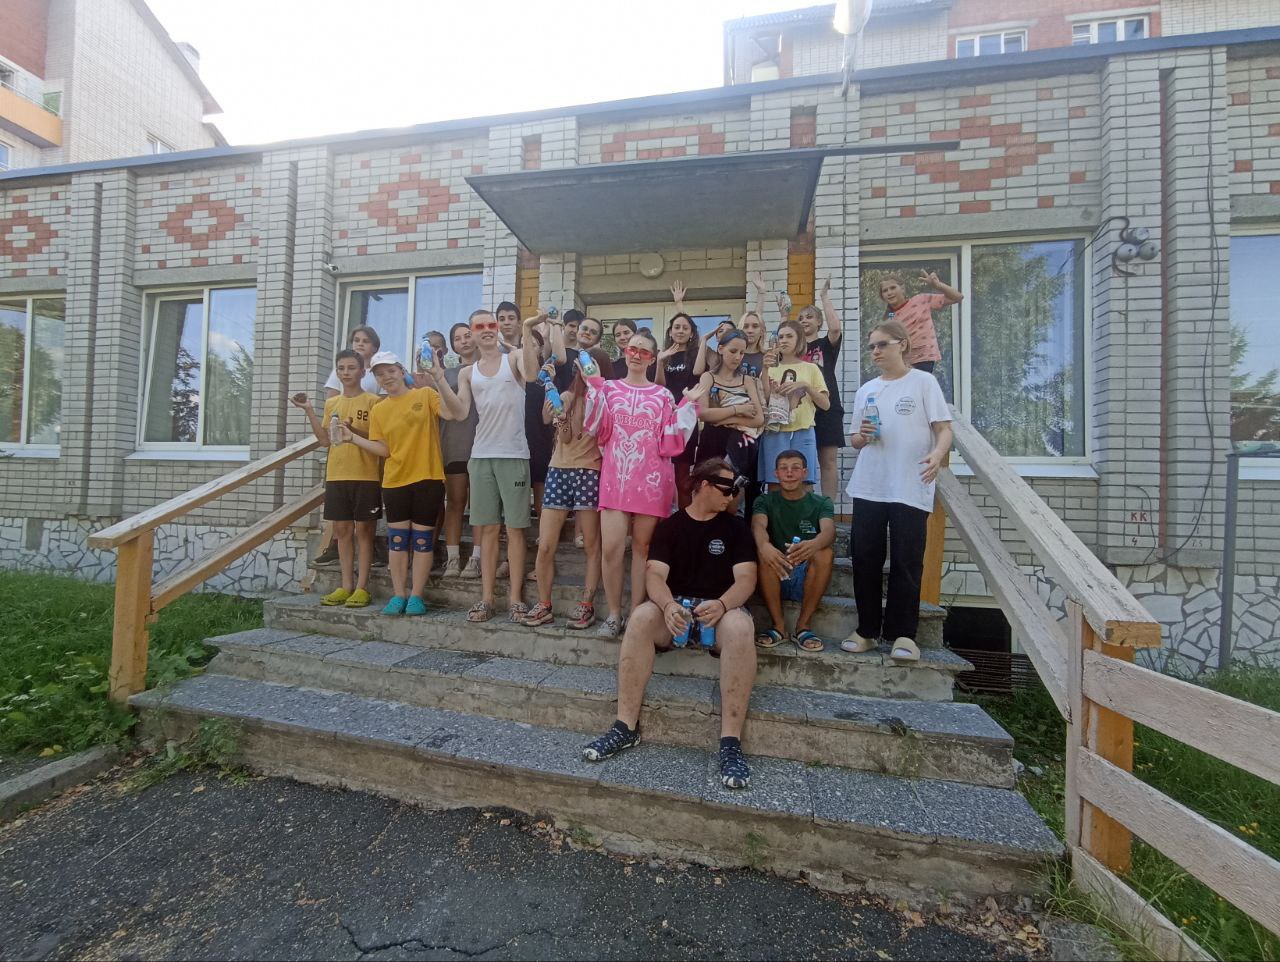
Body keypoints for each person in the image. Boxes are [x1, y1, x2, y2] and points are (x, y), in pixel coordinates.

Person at [580, 459, 759, 790]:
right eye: (727, 488)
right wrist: (667, 605)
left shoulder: (736, 528)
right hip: (676, 611)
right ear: (704, 486)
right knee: (641, 617)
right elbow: (655, 576)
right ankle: (625, 727)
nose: (732, 495)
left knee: (740, 626)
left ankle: (731, 742)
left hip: (720, 612)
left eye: (735, 489)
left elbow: (747, 579)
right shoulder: (671, 527)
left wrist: (722, 604)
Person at [842, 319, 953, 664]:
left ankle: (903, 635)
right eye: (871, 346)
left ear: (902, 344)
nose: (875, 351)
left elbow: (944, 429)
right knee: (865, 560)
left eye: (882, 344)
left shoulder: (923, 382)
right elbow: (855, 440)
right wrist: (861, 436)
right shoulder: (867, 389)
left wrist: (938, 454)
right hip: (869, 485)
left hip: (910, 485)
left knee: (906, 561)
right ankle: (866, 631)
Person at [583, 330, 704, 637]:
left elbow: (671, 440)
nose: (637, 355)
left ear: (653, 358)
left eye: (644, 352)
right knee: (611, 548)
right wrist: (594, 387)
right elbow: (597, 429)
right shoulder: (609, 388)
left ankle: (636, 612)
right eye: (632, 349)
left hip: (651, 481)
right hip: (616, 479)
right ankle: (614, 613)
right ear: (625, 351)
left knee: (643, 548)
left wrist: (689, 405)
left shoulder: (663, 395)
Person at [338, 350, 465, 615]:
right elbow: (384, 449)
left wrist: (438, 377)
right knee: (397, 540)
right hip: (394, 481)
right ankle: (399, 594)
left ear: (401, 371)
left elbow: (454, 413)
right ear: (376, 378)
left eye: (391, 371)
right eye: (380, 374)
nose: (386, 377)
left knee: (422, 541)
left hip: (428, 478)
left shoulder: (425, 395)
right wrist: (352, 438)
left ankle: (416, 595)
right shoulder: (379, 409)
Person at [456, 307, 540, 622]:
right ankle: (487, 599)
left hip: (514, 454)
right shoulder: (467, 372)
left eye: (491, 324)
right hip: (481, 456)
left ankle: (516, 600)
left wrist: (527, 330)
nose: (488, 329)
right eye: (480, 327)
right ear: (472, 333)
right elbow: (460, 412)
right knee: (488, 530)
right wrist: (436, 376)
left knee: (516, 530)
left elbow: (531, 375)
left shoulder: (514, 357)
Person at [525, 346, 612, 630]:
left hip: (590, 470)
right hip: (558, 470)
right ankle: (544, 604)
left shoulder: (607, 397)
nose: (584, 370)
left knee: (591, 544)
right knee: (546, 544)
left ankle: (586, 604)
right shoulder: (566, 396)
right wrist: (559, 416)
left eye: (590, 365)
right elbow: (562, 436)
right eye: (581, 365)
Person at [289, 350, 381, 608]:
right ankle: (346, 585)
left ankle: (362, 587)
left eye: (351, 367)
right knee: (342, 531)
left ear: (362, 371)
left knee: (364, 531)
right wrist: (309, 410)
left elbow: (379, 440)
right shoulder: (332, 404)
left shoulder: (373, 401)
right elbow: (324, 440)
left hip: (366, 476)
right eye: (341, 368)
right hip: (337, 475)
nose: (346, 372)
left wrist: (353, 430)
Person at [752, 449, 835, 653]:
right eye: (784, 468)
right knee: (764, 552)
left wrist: (814, 544)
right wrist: (764, 545)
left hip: (806, 575)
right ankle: (779, 627)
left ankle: (803, 626)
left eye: (795, 468)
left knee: (825, 553)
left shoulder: (821, 502)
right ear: (776, 474)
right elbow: (758, 526)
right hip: (775, 573)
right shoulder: (765, 500)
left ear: (805, 472)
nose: (789, 473)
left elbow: (829, 531)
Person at [315, 324, 385, 568]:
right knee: (342, 526)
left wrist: (354, 431)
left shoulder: (378, 377)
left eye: (366, 340)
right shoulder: (336, 391)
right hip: (339, 466)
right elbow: (327, 430)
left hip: (367, 465)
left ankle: (365, 572)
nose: (360, 344)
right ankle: (339, 559)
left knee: (365, 527)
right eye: (356, 340)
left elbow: (380, 434)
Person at [692, 330, 764, 509]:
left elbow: (759, 419)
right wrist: (738, 410)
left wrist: (722, 419)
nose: (738, 357)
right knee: (707, 492)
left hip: (740, 443)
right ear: (720, 349)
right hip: (712, 441)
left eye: (742, 353)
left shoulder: (748, 380)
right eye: (733, 351)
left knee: (732, 494)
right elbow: (703, 413)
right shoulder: (708, 377)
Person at [759, 319, 829, 491]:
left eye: (789, 336)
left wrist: (805, 385)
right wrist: (765, 370)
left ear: (799, 339)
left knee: (804, 483)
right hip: (775, 431)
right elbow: (764, 399)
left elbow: (825, 404)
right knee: (775, 482)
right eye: (781, 336)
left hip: (803, 431)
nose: (784, 340)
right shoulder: (769, 368)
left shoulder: (811, 368)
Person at [794, 279, 846, 502]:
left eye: (809, 317)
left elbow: (835, 328)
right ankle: (806, 507)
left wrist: (824, 296)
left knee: (828, 461)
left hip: (827, 408)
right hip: (801, 409)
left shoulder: (825, 345)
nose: (804, 320)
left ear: (819, 322)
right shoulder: (793, 351)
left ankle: (828, 510)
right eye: (800, 318)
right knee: (802, 462)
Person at [439, 322, 481, 579]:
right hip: (454, 445)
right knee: (455, 503)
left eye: (468, 335)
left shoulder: (488, 368)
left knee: (480, 506)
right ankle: (452, 558)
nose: (464, 341)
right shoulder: (445, 375)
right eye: (458, 338)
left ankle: (476, 558)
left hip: (483, 446)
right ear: (453, 346)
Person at [657, 284, 700, 506]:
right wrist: (660, 362)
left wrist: (679, 305)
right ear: (670, 331)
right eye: (676, 327)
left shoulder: (696, 354)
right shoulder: (663, 355)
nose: (680, 331)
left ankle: (684, 516)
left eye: (685, 328)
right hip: (664, 418)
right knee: (662, 472)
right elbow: (659, 386)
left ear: (691, 333)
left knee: (682, 477)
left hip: (686, 419)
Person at [877, 270, 964, 374]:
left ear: (902, 288)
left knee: (921, 382)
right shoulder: (889, 317)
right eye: (885, 290)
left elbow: (958, 297)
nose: (889, 292)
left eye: (893, 288)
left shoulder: (921, 300)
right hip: (902, 363)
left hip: (924, 358)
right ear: (882, 296)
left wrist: (938, 285)